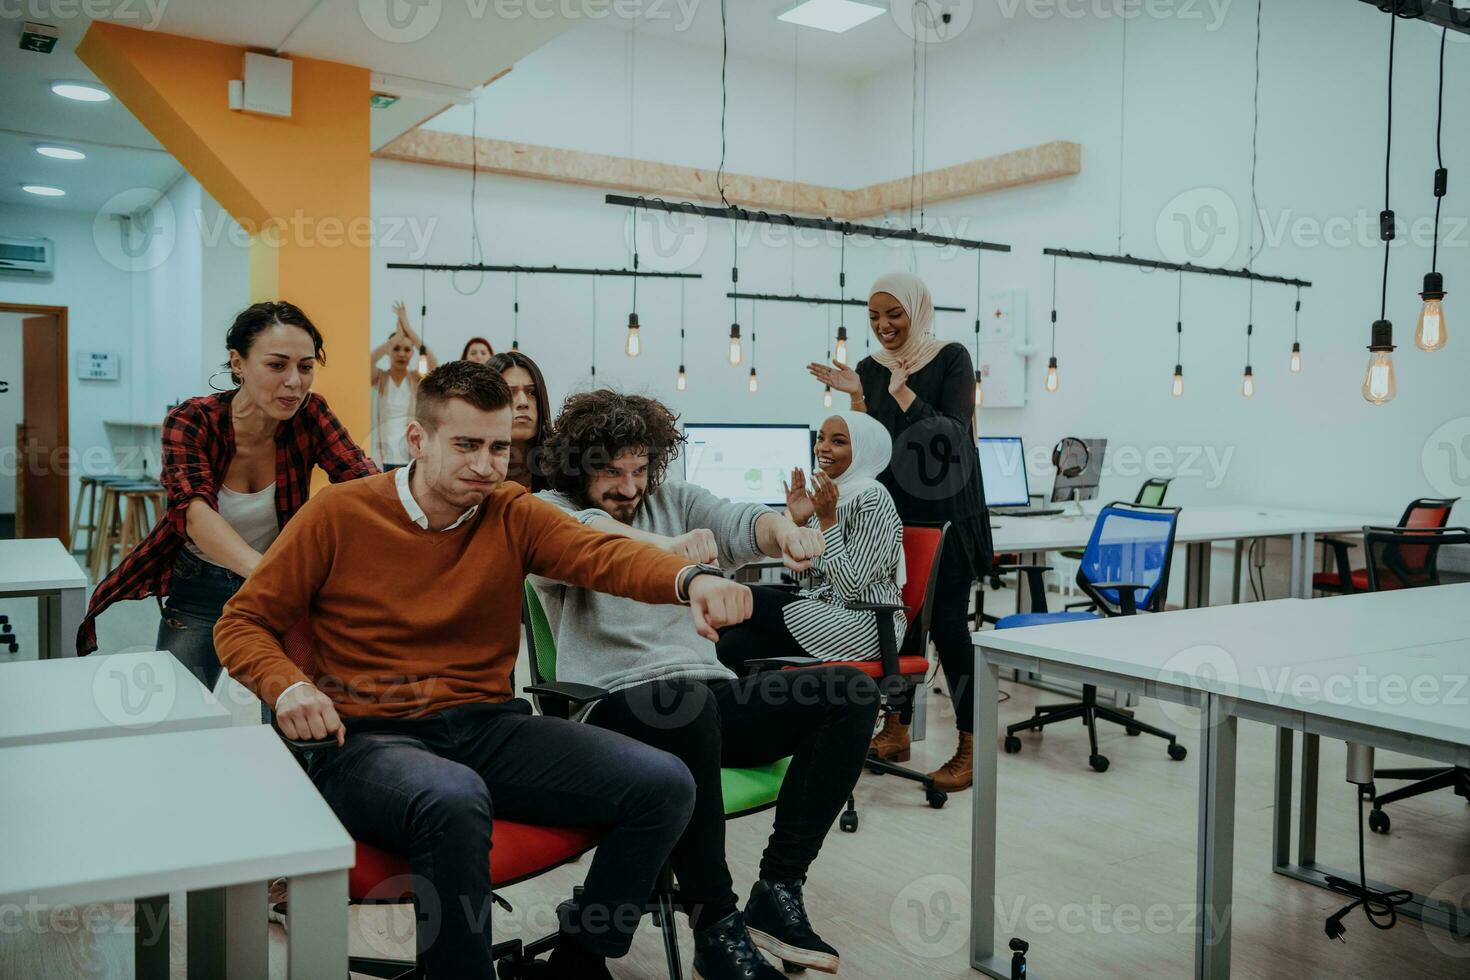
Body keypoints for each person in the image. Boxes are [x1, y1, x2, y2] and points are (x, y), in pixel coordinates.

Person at [215, 362, 755, 980]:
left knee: (666, 784)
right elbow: (240, 623)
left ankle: (577, 960)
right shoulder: (338, 514)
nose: (486, 464)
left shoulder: (511, 512)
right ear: (417, 441)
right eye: (466, 445)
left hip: (488, 728)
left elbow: (602, 555)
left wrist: (690, 580)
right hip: (370, 742)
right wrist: (289, 684)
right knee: (452, 796)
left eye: (499, 447)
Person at [531, 389, 879, 980]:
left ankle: (778, 889)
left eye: (640, 470)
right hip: (613, 704)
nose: (629, 486)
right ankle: (716, 925)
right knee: (687, 707)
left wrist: (782, 531)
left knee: (850, 692)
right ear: (577, 466)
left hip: (704, 696)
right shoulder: (548, 510)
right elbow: (594, 540)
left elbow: (740, 520)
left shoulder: (678, 500)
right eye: (611, 472)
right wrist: (671, 552)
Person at [76, 301, 377, 682]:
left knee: (297, 722)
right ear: (238, 363)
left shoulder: (311, 415)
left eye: (305, 367)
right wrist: (272, 571)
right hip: (203, 584)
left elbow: (362, 483)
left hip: (278, 592)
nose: (294, 382)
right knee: (180, 712)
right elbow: (194, 513)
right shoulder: (192, 420)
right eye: (276, 365)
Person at [807, 271, 991, 793]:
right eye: (874, 316)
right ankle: (897, 729)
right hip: (897, 512)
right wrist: (860, 402)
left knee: (950, 631)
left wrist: (903, 392)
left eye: (894, 314)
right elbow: (875, 446)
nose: (884, 325)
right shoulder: (869, 368)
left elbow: (952, 439)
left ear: (917, 310)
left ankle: (971, 748)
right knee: (899, 625)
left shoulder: (951, 357)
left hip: (949, 513)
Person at [715, 411, 905, 674]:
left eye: (838, 441)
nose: (823, 448)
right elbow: (807, 578)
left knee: (736, 598)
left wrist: (827, 521)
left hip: (865, 623)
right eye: (821, 438)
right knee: (733, 646)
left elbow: (849, 589)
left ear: (863, 450)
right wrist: (801, 522)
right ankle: (738, 713)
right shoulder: (830, 495)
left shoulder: (873, 499)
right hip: (822, 613)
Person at [370, 301, 437, 469]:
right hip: (382, 454)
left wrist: (407, 328)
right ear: (389, 351)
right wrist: (396, 337)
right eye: (396, 348)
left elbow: (435, 366)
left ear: (413, 353)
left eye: (407, 349)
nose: (401, 354)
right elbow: (368, 361)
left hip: (410, 454)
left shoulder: (416, 379)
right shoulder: (380, 378)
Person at [487, 350, 551, 490]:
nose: (523, 402)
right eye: (509, 392)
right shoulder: (472, 471)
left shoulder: (563, 468)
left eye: (531, 392)